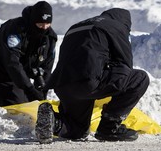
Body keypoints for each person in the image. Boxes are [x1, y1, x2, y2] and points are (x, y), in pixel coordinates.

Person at [35, 8, 150, 144]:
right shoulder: (116, 27)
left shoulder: (76, 27)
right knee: (139, 78)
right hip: (88, 82)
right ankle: (109, 129)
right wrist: (114, 98)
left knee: (78, 131)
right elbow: (125, 65)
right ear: (125, 23)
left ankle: (54, 122)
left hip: (63, 85)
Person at [0, 1, 57, 113]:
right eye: (40, 24)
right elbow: (12, 62)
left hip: (9, 75)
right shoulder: (15, 29)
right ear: (32, 20)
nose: (44, 28)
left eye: (47, 24)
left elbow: (47, 66)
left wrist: (42, 92)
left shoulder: (49, 38)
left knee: (18, 105)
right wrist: (29, 88)